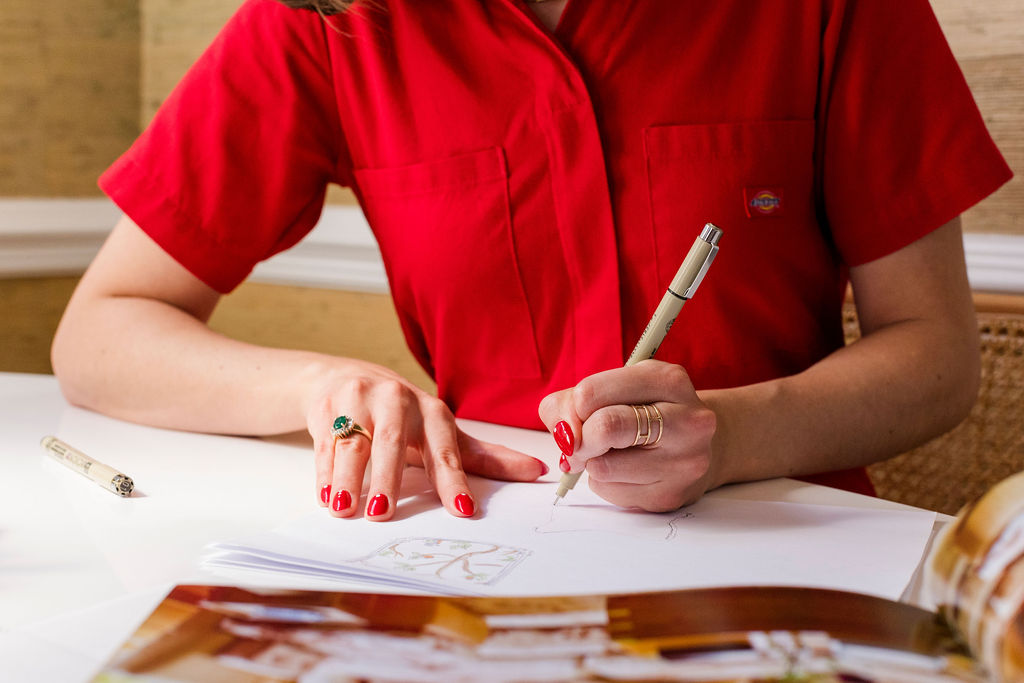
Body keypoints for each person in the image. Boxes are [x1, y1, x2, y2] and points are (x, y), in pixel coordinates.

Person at [52, 0, 1012, 521]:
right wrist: (323, 385)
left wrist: (731, 433)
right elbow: (101, 334)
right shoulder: (325, 22)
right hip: (494, 541)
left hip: (782, 543)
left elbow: (934, 354)